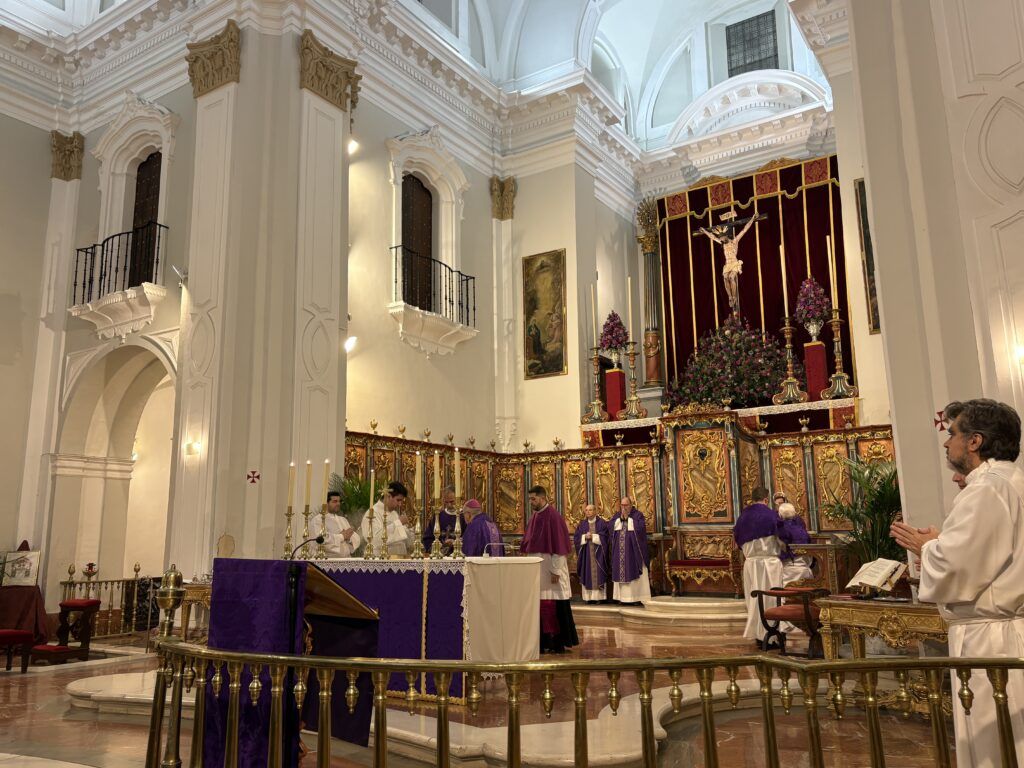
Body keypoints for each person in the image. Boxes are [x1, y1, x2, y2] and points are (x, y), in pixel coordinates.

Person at [891, 399, 1024, 767]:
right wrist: (940, 542)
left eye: (953, 434)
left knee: (993, 743)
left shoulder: (986, 489)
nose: (947, 443)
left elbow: (957, 568)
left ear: (975, 441)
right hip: (1008, 631)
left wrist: (927, 546)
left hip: (991, 641)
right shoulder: (1013, 481)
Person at [521, 485, 578, 653]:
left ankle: (556, 642)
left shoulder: (553, 517)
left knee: (553, 605)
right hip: (539, 570)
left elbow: (559, 546)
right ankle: (543, 642)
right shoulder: (535, 516)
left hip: (550, 570)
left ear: (543, 498)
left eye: (533, 499)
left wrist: (556, 571)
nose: (531, 502)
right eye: (530, 499)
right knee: (541, 604)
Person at [734, 486, 785, 643]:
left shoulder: (742, 517)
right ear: (766, 499)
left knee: (754, 600)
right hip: (770, 564)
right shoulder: (772, 515)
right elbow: (783, 538)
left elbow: (737, 540)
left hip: (751, 563)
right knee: (772, 598)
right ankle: (773, 636)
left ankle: (758, 635)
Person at [608, 496, 651, 605]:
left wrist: (628, 519)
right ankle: (622, 598)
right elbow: (610, 527)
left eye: (626, 505)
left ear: (631, 505)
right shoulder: (617, 515)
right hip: (619, 551)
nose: (624, 507)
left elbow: (641, 529)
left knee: (633, 570)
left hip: (633, 551)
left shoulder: (638, 515)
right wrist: (620, 519)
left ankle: (636, 598)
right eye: (622, 505)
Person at [360, 481, 411, 557]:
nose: (400, 504)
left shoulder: (394, 514)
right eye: (398, 500)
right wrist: (398, 523)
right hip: (380, 559)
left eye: (401, 501)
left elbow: (401, 537)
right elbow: (374, 540)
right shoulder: (372, 513)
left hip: (398, 558)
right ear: (388, 496)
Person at [573, 503, 609, 604]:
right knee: (587, 573)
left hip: (598, 555)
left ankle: (598, 598)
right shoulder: (582, 524)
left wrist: (593, 536)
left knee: (598, 574)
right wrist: (584, 537)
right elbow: (577, 538)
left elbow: (605, 537)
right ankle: (588, 598)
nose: (588, 512)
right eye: (586, 510)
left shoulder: (601, 523)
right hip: (586, 555)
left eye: (590, 510)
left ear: (595, 511)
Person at [776, 502, 812, 585]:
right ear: (794, 514)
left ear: (780, 515)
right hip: (803, 566)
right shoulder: (802, 529)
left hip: (788, 567)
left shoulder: (781, 530)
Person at [423, 486, 460, 555]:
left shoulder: (463, 517)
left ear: (458, 499)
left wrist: (455, 542)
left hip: (457, 555)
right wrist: (437, 547)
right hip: (439, 556)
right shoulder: (438, 516)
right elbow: (428, 538)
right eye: (446, 502)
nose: (449, 505)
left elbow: (468, 538)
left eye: (452, 501)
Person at [323, 491, 361, 557]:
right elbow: (322, 541)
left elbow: (356, 539)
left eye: (339, 501)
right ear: (326, 503)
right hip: (330, 560)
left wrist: (349, 539)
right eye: (335, 501)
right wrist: (342, 536)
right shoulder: (318, 520)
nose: (338, 504)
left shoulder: (343, 520)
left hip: (347, 559)